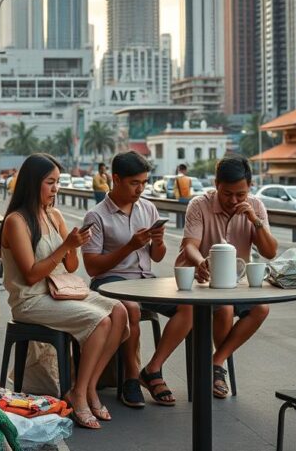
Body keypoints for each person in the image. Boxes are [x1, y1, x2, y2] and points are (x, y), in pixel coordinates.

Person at [0, 154, 128, 430]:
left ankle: (89, 387)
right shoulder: (16, 221)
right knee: (100, 321)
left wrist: (75, 244)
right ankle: (79, 394)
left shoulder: (54, 214)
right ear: (33, 183)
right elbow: (32, 274)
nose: (56, 188)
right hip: (31, 299)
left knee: (119, 311)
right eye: (50, 182)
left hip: (60, 290)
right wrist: (64, 245)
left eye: (57, 182)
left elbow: (70, 266)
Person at [84, 152, 192, 408]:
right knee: (131, 308)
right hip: (109, 282)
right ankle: (131, 378)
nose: (140, 189)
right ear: (116, 179)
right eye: (134, 183)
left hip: (144, 280)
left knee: (189, 306)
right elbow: (91, 267)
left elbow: (156, 256)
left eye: (144, 182)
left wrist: (158, 241)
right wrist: (129, 246)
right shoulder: (97, 216)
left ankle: (152, 369)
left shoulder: (148, 208)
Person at [177, 155, 279, 398]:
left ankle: (216, 362)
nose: (234, 200)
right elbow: (189, 245)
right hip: (202, 282)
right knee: (223, 307)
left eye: (240, 195)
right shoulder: (199, 205)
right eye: (227, 194)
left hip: (236, 283)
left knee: (261, 309)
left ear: (249, 188)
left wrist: (255, 221)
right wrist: (200, 261)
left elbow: (270, 252)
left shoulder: (255, 206)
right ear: (216, 184)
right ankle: (218, 370)